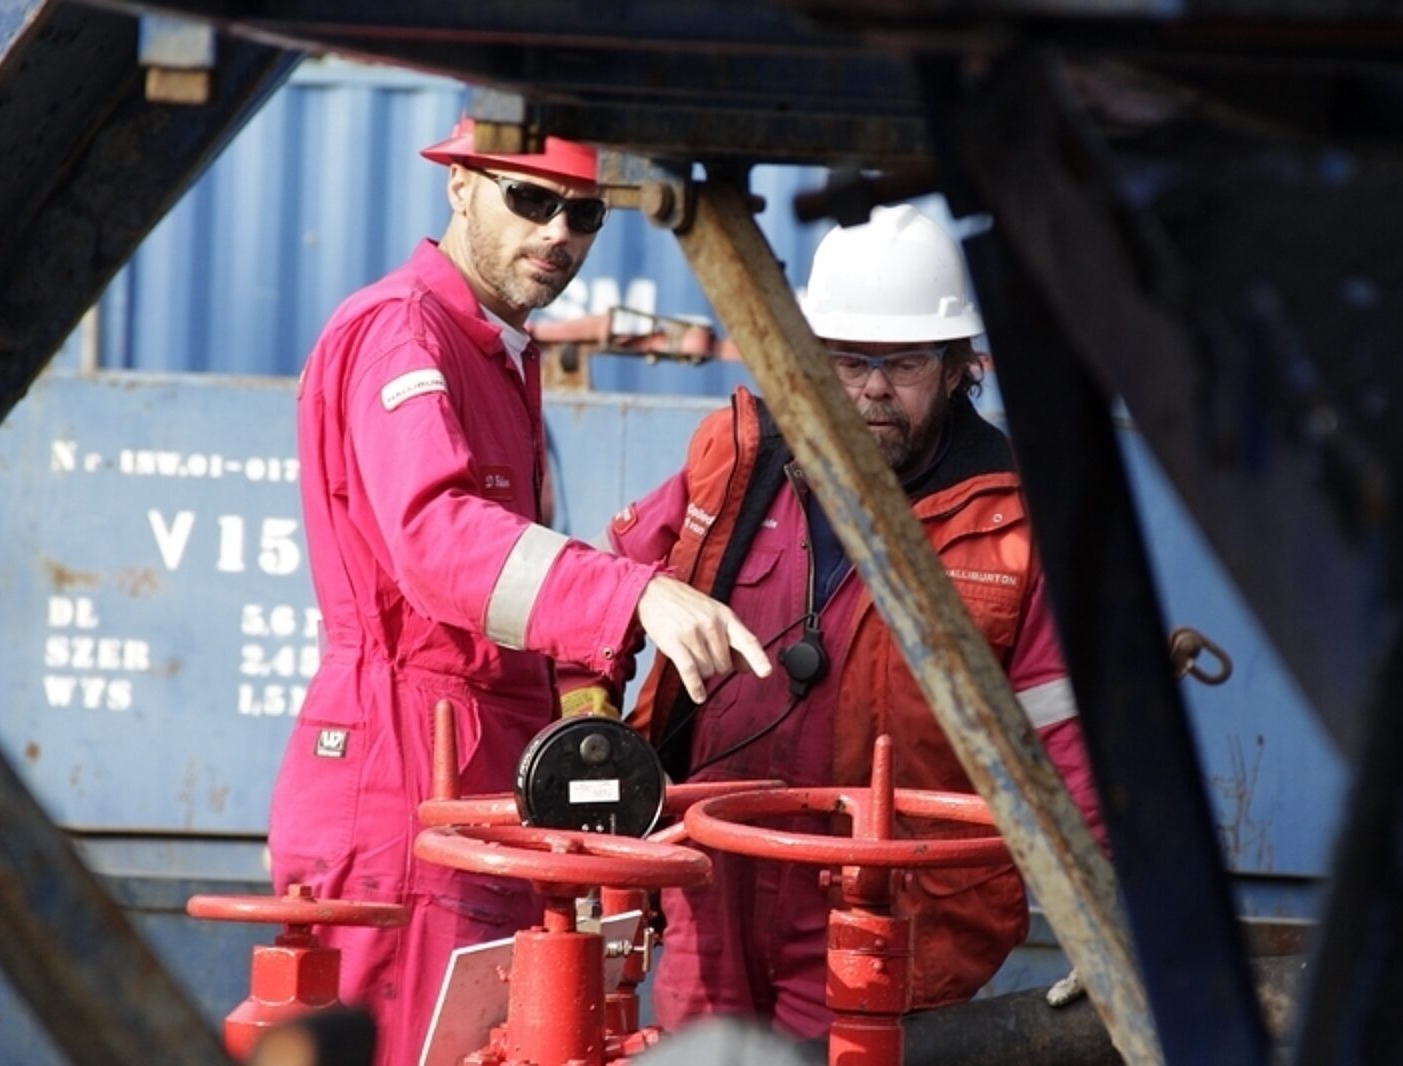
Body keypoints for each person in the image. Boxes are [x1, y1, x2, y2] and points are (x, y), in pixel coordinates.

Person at [267, 118, 771, 1066]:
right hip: (407, 777)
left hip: (470, 774)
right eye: (530, 199)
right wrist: (633, 598)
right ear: (460, 185)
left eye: (585, 214)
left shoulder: (494, 350)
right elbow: (435, 543)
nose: (558, 234)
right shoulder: (403, 330)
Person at [576, 205, 1108, 1037]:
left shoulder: (1015, 522)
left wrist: (1109, 920)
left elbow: (1067, 738)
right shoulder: (737, 457)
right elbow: (604, 599)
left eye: (904, 363)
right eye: (849, 360)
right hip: (711, 886)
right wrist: (588, 746)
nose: (872, 388)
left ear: (958, 367)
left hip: (887, 914)